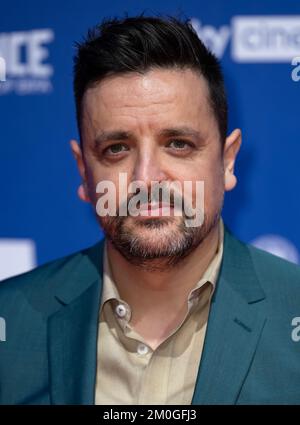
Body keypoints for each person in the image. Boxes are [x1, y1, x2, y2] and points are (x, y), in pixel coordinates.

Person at [1, 15, 300, 406]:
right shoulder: (11, 323)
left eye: (177, 143)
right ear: (84, 172)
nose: (146, 179)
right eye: (117, 149)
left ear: (227, 162)